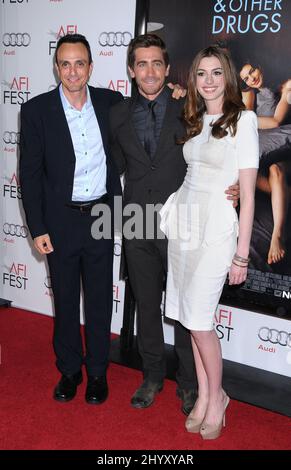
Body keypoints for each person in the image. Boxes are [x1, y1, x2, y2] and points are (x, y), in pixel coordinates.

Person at [110, 34, 240, 414]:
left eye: (156, 64)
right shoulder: (116, 114)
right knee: (146, 303)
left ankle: (188, 383)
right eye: (141, 64)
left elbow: (216, 154)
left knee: (185, 308)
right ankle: (151, 376)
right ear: (132, 71)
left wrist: (235, 189)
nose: (149, 71)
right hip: (136, 219)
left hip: (183, 220)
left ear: (167, 70)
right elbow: (113, 163)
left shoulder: (190, 108)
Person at [160, 46, 259, 439]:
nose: (209, 81)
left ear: (228, 77)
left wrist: (242, 256)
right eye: (201, 74)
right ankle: (204, 395)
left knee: (200, 322)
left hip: (217, 229)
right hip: (184, 225)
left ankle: (218, 397)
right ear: (194, 81)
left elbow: (248, 194)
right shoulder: (197, 118)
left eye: (216, 73)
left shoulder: (245, 121)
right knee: (190, 319)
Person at [20, 34, 123, 405]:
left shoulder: (112, 104)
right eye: (65, 63)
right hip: (59, 221)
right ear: (56, 67)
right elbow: (29, 175)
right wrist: (38, 227)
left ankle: (97, 372)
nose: (73, 71)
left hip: (101, 215)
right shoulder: (36, 111)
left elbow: (149, 114)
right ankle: (69, 370)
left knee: (98, 300)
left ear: (91, 67)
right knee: (64, 300)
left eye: (80, 63)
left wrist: (176, 95)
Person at [240, 63, 291, 264]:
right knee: (267, 172)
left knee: (275, 169)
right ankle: (285, 194)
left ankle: (277, 236)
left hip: (279, 148)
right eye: (246, 78)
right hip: (262, 153)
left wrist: (241, 118)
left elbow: (276, 121)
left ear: (260, 67)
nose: (252, 78)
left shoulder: (283, 88)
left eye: (252, 71)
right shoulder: (249, 97)